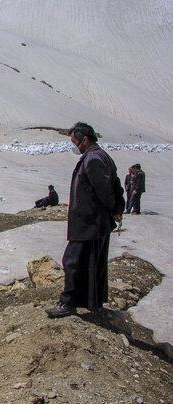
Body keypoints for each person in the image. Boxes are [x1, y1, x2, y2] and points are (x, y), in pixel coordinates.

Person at [46, 122, 123, 318]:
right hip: (95, 222)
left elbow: (105, 191)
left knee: (72, 261)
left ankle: (68, 303)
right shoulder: (100, 156)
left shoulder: (93, 159)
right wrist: (115, 209)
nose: (74, 145)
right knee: (91, 262)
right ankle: (93, 303)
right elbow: (115, 185)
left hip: (89, 222)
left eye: (75, 141)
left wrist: (113, 208)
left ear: (85, 139)